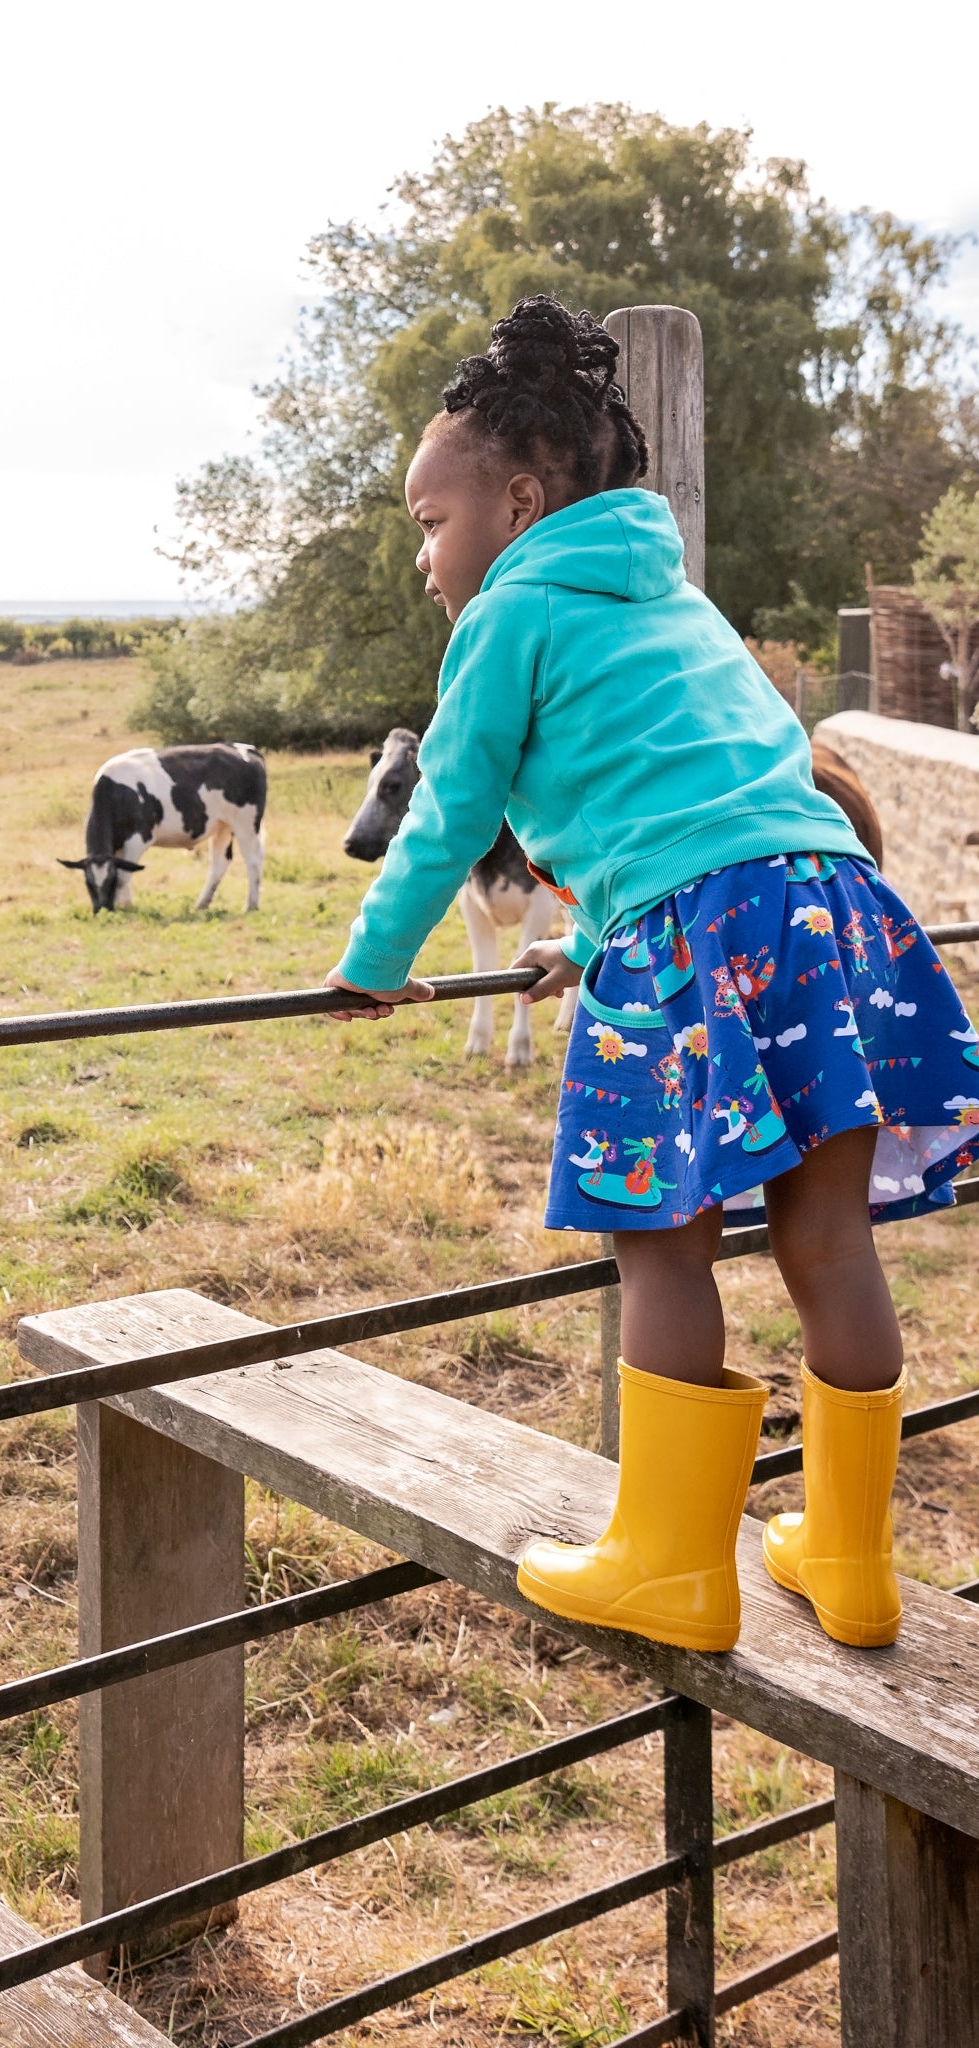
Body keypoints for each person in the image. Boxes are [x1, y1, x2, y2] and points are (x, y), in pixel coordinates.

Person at [325, 295, 979, 1655]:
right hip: (828, 903)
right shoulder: (677, 600)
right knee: (826, 1235)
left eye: (430, 524)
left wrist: (372, 965)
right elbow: (692, 800)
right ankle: (852, 1562)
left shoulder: (509, 617)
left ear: (515, 501)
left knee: (659, 1238)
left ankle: (674, 1565)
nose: (425, 560)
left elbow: (451, 807)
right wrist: (596, 936)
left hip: (703, 924)